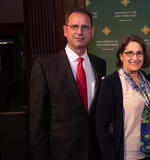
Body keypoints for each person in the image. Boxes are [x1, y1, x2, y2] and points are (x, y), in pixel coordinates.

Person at [29, 8, 106, 160]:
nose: (80, 32)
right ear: (65, 30)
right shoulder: (44, 66)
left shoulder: (100, 64)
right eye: (74, 26)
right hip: (60, 154)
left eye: (85, 27)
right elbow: (37, 124)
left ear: (92, 32)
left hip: (95, 153)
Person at [96, 34, 150, 160]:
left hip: (149, 151)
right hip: (126, 155)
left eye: (139, 53)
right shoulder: (111, 83)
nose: (135, 58)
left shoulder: (146, 79)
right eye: (129, 53)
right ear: (121, 56)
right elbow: (101, 126)